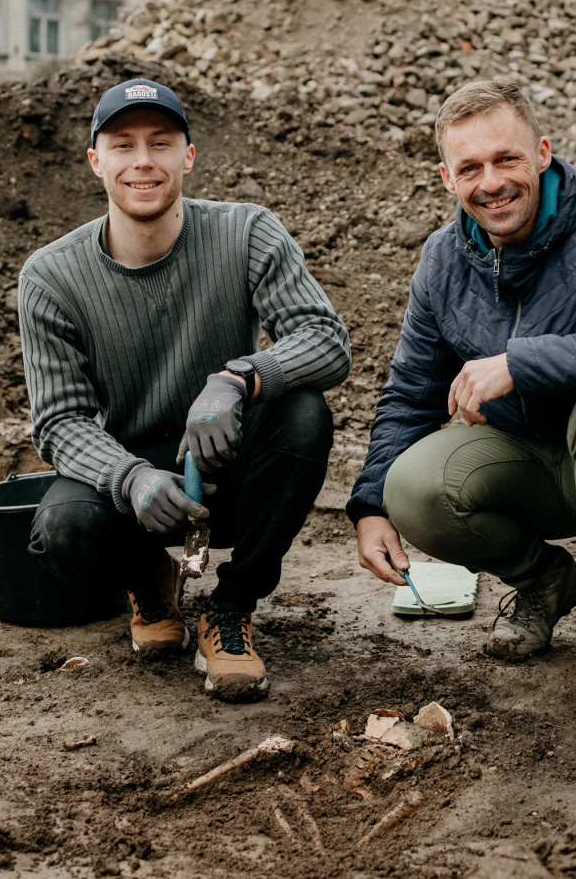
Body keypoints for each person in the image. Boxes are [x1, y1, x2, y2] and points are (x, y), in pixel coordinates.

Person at [348, 80, 576, 737]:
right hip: (529, 463)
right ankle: (543, 579)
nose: (492, 183)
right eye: (470, 168)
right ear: (447, 178)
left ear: (541, 153)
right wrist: (368, 506)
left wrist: (521, 362)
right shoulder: (443, 262)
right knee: (412, 488)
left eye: (506, 159)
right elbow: (411, 390)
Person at [18, 77, 350, 702]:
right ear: (97, 161)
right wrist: (131, 477)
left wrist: (238, 378)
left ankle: (228, 608)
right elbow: (59, 423)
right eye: (123, 145)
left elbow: (327, 341)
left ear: (187, 156)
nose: (143, 161)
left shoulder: (247, 232)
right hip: (134, 492)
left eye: (161, 143)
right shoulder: (50, 276)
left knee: (304, 414)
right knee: (62, 531)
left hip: (227, 467)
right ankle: (151, 582)